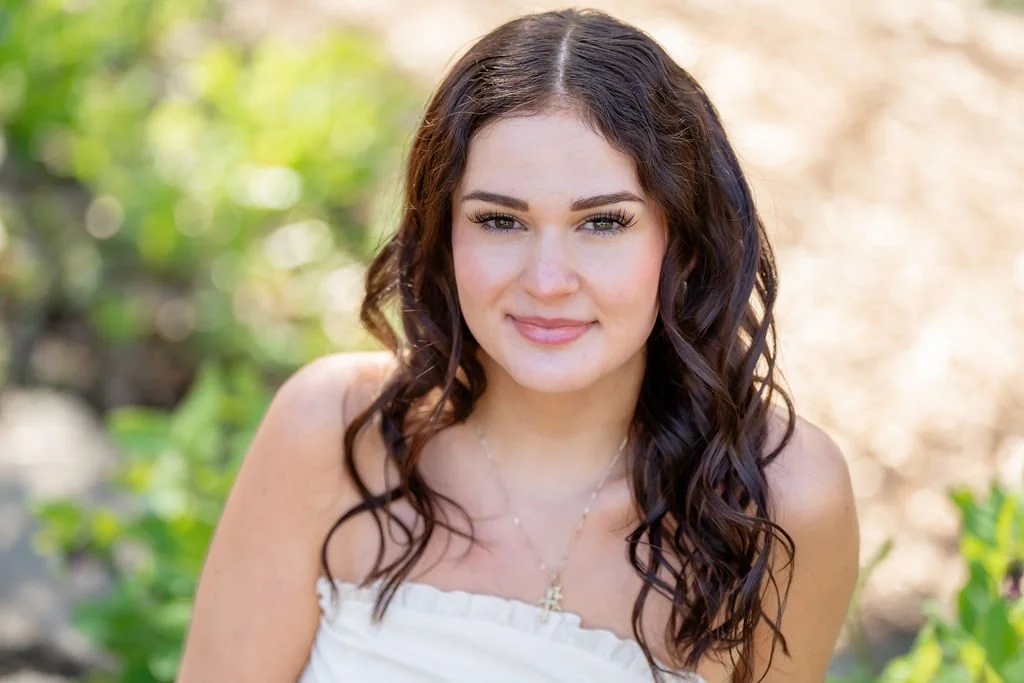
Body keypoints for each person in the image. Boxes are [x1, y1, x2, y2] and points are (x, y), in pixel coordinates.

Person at [177, 8, 859, 683]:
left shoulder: (780, 501)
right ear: (443, 232)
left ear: (682, 240)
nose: (547, 281)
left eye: (602, 223)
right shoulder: (334, 431)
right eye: (500, 220)